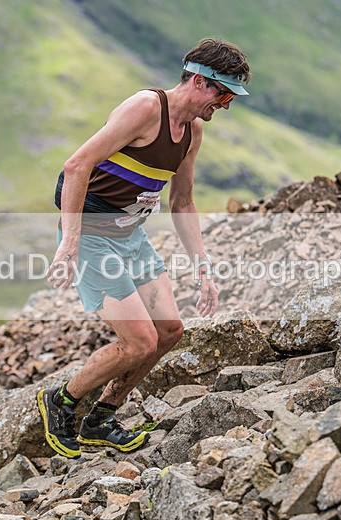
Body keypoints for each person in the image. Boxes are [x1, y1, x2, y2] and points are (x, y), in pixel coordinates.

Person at [37, 37, 251, 458]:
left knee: (169, 332)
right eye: (224, 93)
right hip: (93, 233)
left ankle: (102, 417)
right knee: (138, 342)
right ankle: (60, 402)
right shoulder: (146, 108)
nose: (226, 105)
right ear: (199, 82)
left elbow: (182, 201)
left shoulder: (193, 132)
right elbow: (76, 166)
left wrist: (203, 267)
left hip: (130, 234)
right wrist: (70, 243)